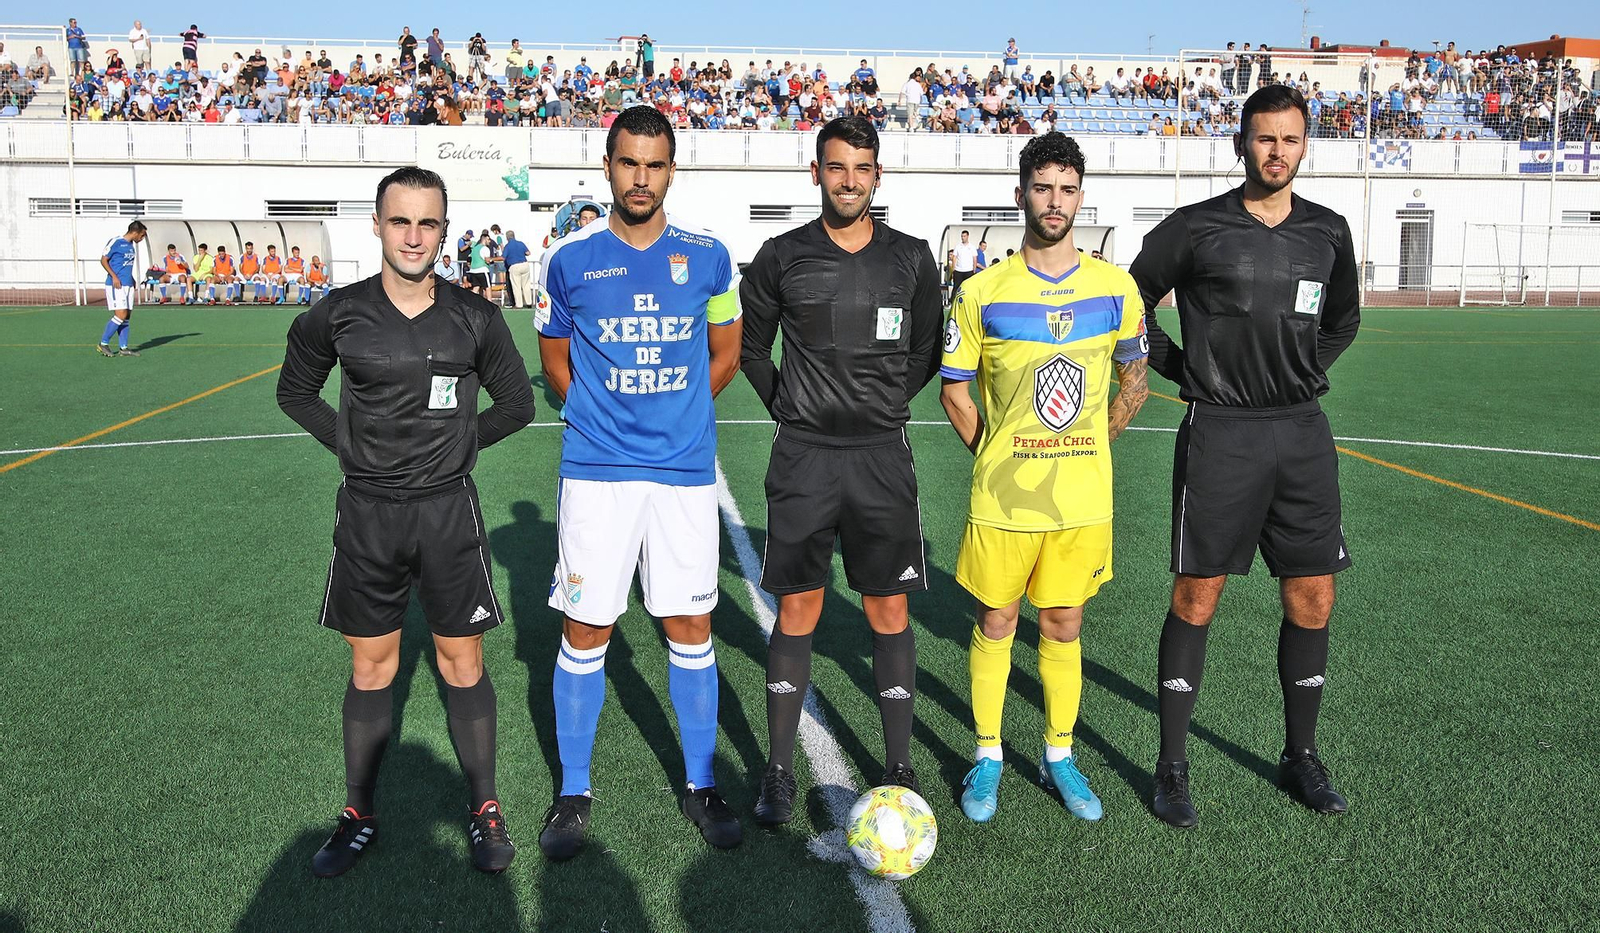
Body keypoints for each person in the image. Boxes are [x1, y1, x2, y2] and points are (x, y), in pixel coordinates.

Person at [276, 166, 535, 878]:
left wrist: (457, 447)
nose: (414, 236)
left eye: (428, 223)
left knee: (462, 662)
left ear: (444, 231)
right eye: (401, 221)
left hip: (448, 511)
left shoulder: (475, 316)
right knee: (371, 666)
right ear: (378, 225)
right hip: (367, 514)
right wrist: (347, 442)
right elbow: (294, 389)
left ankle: (484, 807)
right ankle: (359, 810)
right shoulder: (339, 313)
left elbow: (518, 405)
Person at [1128, 85, 1360, 829]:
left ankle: (1301, 755)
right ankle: (1171, 765)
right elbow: (1131, 297)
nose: (1278, 152)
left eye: (1291, 139)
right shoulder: (1198, 228)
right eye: (1265, 138)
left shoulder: (1328, 231)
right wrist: (1180, 367)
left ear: (1305, 145)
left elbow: (1342, 319)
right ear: (1241, 142)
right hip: (1220, 432)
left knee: (1313, 595)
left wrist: (1300, 370)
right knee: (1198, 595)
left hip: (1300, 433)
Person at [533, 106, 744, 862]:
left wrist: (673, 415)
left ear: (671, 170)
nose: (641, 178)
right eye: (629, 163)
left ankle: (699, 781)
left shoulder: (710, 257)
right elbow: (555, 358)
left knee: (690, 628)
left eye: (655, 165)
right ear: (608, 166)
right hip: (597, 472)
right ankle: (575, 789)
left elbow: (725, 354)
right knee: (586, 629)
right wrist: (600, 416)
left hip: (684, 473)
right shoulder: (569, 259)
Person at [940, 132, 1150, 824]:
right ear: (1020, 193)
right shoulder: (981, 292)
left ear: (1080, 197)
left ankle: (1059, 753)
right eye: (1042, 187)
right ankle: (989, 754)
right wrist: (998, 455)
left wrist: (1094, 442)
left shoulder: (1117, 288)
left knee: (1063, 621)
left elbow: (1134, 378)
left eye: (1066, 189)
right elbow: (955, 391)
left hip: (1081, 498)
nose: (1054, 201)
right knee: (996, 619)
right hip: (1003, 498)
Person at [738, 117, 944, 826]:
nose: (848, 179)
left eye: (861, 167)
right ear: (816, 173)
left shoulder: (914, 259)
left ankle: (897, 766)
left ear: (877, 175)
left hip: (883, 457)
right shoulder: (780, 255)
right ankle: (777, 770)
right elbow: (753, 351)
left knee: (888, 607)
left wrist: (881, 405)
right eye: (836, 167)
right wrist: (793, 410)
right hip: (804, 459)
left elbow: (923, 352)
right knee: (799, 608)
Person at [96, 221, 148, 357]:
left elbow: (125, 264)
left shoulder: (131, 245)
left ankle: (123, 348)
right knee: (120, 315)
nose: (142, 239)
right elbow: (103, 260)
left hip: (127, 284)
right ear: (135, 232)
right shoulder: (116, 242)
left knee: (127, 316)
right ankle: (103, 343)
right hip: (116, 284)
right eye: (142, 236)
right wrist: (114, 277)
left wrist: (132, 279)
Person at [502, 230, 531, 308]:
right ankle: (529, 303)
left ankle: (519, 304)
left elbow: (503, 257)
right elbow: (528, 253)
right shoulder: (521, 243)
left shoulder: (508, 246)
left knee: (516, 286)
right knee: (526, 285)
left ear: (507, 237)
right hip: (525, 264)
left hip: (515, 266)